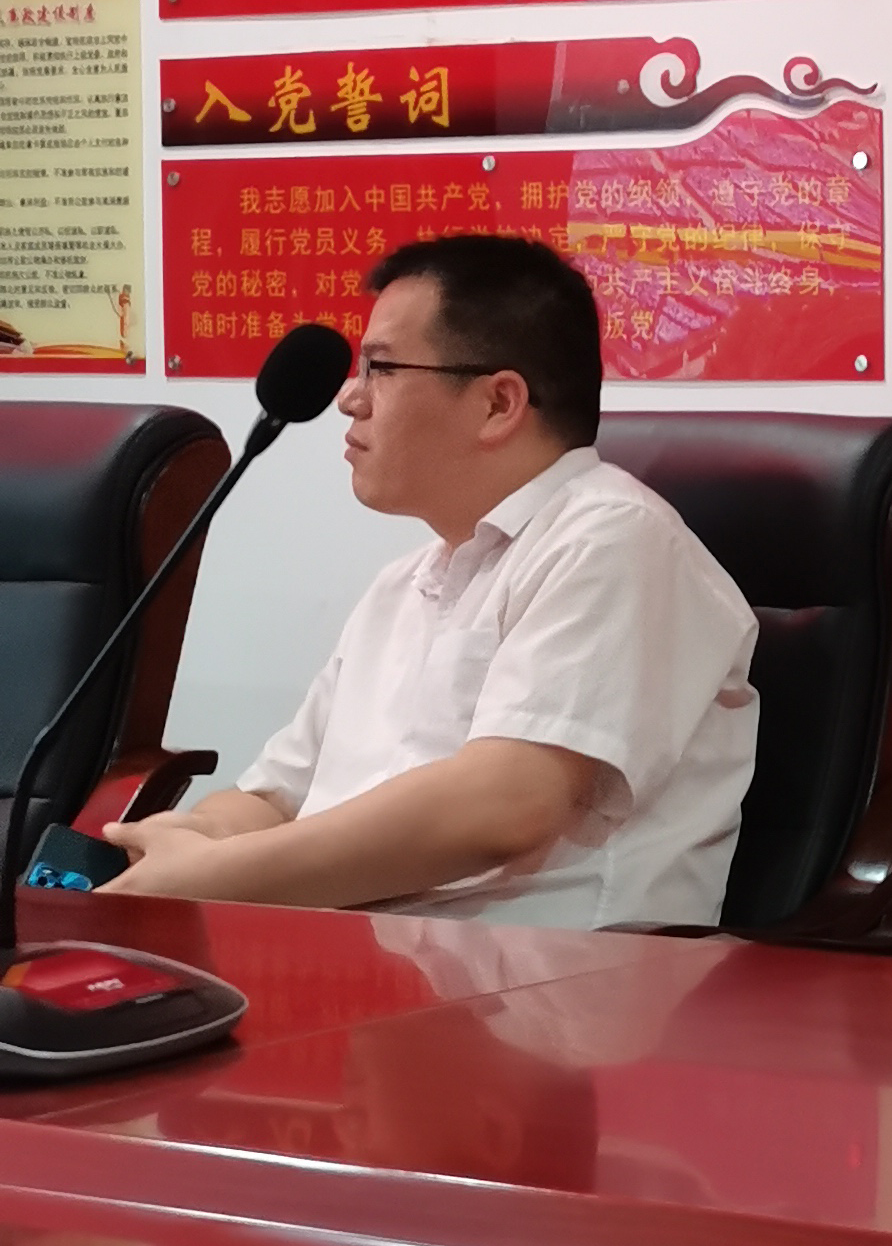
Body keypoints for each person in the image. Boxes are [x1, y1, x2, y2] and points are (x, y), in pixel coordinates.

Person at [99, 236, 759, 927]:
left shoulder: (614, 538)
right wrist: (192, 837)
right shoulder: (404, 585)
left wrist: (216, 878)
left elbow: (505, 804)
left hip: (551, 977)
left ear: (498, 403)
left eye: (380, 367)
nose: (349, 398)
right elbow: (275, 797)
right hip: (368, 961)